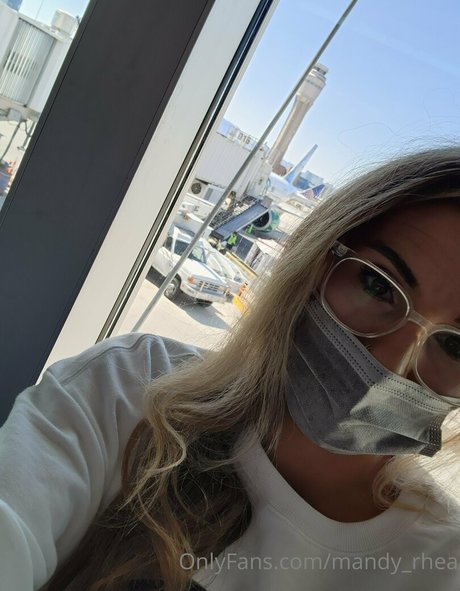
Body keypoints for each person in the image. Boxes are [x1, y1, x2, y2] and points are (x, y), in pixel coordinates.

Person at [1, 146, 460, 591]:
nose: (389, 365)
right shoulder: (131, 388)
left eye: (455, 345)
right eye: (377, 284)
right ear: (317, 265)